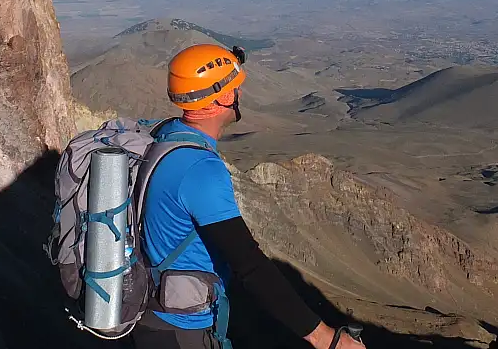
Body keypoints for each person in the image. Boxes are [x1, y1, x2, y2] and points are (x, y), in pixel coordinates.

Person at [132, 43, 365, 349]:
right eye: (236, 87)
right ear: (225, 96)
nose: (240, 94)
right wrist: (326, 340)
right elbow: (251, 266)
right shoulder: (200, 170)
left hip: (152, 316)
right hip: (182, 331)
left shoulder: (165, 136)